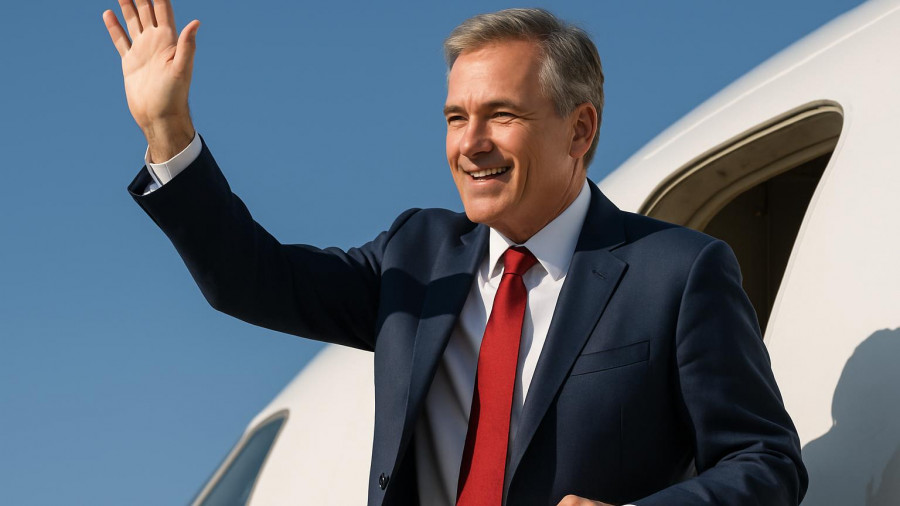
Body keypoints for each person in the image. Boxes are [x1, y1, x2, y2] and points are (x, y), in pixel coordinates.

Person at [103, 2, 808, 505]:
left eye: (501, 115)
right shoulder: (416, 256)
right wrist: (169, 130)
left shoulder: (677, 273)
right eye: (455, 118)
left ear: (579, 129)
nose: (470, 144)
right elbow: (251, 281)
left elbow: (767, 462)